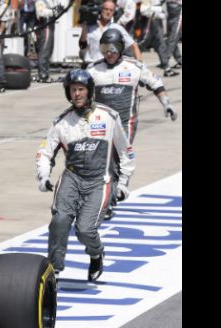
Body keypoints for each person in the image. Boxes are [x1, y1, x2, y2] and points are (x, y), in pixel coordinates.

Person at [35, 69, 135, 282]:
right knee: (60, 220)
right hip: (71, 177)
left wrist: (124, 182)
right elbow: (45, 152)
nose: (77, 94)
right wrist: (43, 176)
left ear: (89, 91)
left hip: (100, 180)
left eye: (81, 89)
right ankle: (54, 270)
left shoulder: (108, 116)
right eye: (73, 90)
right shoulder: (61, 122)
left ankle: (96, 253)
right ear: (68, 93)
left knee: (85, 230)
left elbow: (126, 151)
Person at [88, 28, 176, 220]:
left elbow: (156, 84)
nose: (108, 53)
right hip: (100, 124)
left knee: (116, 161)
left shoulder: (134, 67)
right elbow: (79, 94)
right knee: (101, 163)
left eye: (113, 48)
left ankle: (109, 202)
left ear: (120, 48)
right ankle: (109, 194)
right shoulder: (93, 69)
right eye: (104, 48)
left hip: (125, 123)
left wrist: (166, 104)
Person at [79, 0, 141, 66]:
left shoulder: (117, 28)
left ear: (114, 13)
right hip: (91, 65)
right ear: (101, 10)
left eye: (111, 10)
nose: (108, 12)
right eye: (106, 9)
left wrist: (140, 64)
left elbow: (134, 45)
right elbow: (82, 46)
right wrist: (84, 27)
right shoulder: (90, 27)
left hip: (108, 67)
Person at [137, 0, 178, 77]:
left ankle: (167, 68)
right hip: (148, 21)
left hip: (155, 21)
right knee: (142, 44)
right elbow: (144, 10)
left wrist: (161, 12)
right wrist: (158, 13)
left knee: (160, 43)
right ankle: (129, 63)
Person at [34, 0, 64, 83]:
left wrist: (58, 10)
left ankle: (45, 73)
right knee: (44, 50)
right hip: (45, 25)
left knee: (49, 50)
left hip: (50, 24)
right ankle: (42, 74)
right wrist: (53, 11)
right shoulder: (40, 1)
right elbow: (40, 13)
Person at [165, 0, 182, 69]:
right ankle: (180, 60)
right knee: (169, 39)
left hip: (178, 16)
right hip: (170, 16)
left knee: (172, 39)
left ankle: (165, 60)